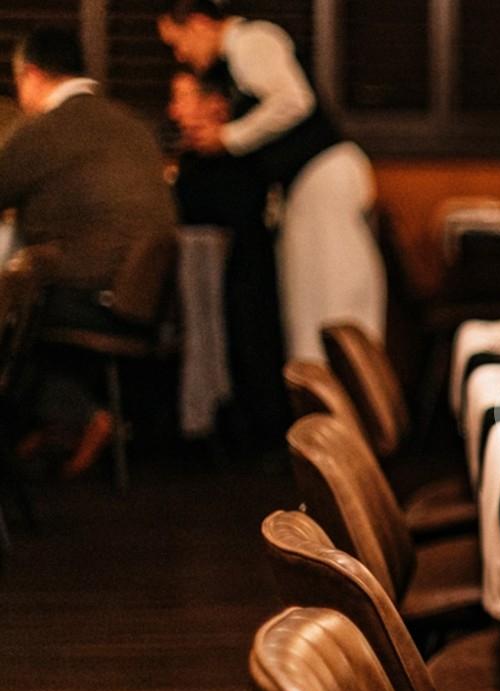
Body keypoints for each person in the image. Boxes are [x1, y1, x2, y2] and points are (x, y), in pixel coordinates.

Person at [158, 0, 386, 362]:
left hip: (321, 175)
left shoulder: (251, 40)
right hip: (307, 182)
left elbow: (294, 100)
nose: (181, 55)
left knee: (329, 300)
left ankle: (346, 400)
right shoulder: (233, 64)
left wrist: (228, 138)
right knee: (311, 302)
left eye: (177, 42)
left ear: (200, 23)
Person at [0, 27, 176, 477]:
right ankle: (60, 422)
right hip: (147, 299)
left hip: (86, 296)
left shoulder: (44, 132)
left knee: (14, 309)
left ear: (33, 75)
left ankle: (79, 415)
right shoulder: (133, 126)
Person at [169, 68, 289, 447]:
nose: (174, 112)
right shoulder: (193, 161)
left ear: (218, 106)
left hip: (241, 281)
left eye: (183, 99)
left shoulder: (236, 164)